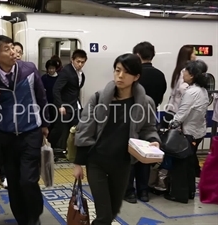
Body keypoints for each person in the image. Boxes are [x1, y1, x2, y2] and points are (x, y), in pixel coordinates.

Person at [73, 53, 161, 225]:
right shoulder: (98, 98)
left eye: (126, 72)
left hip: (122, 164)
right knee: (104, 215)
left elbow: (149, 128)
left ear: (136, 77)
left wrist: (153, 140)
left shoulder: (145, 103)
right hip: (96, 161)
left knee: (112, 212)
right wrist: (78, 163)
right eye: (117, 70)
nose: (120, 76)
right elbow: (84, 130)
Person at [0, 35, 49, 225]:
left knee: (28, 180)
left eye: (12, 47)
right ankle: (22, 219)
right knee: (13, 182)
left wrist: (44, 124)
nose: (12, 52)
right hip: (6, 136)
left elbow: (41, 96)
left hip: (30, 132)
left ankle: (34, 216)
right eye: (6, 49)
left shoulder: (28, 70)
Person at [125, 41, 167, 203]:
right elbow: (160, 97)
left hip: (133, 120)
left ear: (137, 56)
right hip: (150, 119)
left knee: (131, 156)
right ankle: (143, 192)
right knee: (145, 158)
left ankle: (129, 192)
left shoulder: (136, 75)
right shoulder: (160, 75)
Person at [165, 60, 209, 204]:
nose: (183, 73)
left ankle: (179, 194)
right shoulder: (203, 90)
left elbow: (182, 114)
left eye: (185, 71)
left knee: (180, 164)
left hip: (188, 133)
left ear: (192, 75)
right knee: (190, 163)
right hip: (199, 132)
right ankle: (190, 191)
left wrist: (170, 124)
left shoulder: (191, 92)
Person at [49, 49, 87, 153]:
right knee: (59, 129)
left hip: (74, 106)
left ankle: (71, 151)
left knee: (76, 128)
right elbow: (56, 89)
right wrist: (60, 105)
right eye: (78, 61)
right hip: (64, 106)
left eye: (82, 62)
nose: (80, 64)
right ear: (72, 60)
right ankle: (48, 147)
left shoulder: (80, 74)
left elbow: (75, 90)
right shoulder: (67, 71)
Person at [163, 45, 196, 127]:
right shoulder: (185, 71)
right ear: (188, 55)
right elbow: (182, 88)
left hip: (173, 108)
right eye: (194, 54)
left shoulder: (178, 69)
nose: (195, 56)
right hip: (178, 110)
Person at [41, 59, 60, 133]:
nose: (51, 70)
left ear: (56, 68)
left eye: (53, 68)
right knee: (48, 122)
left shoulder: (59, 78)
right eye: (49, 68)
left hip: (56, 103)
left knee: (56, 123)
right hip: (47, 104)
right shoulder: (44, 78)